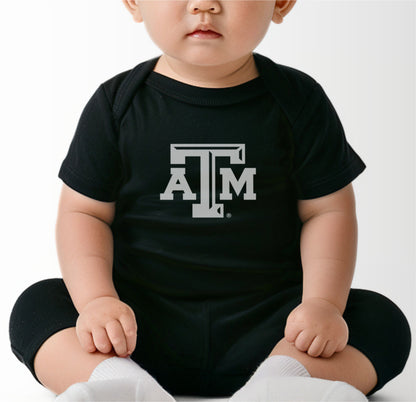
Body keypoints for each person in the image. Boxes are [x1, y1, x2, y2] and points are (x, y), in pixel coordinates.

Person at [9, 0, 411, 401]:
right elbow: (84, 213)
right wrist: (98, 301)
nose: (205, 4)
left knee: (381, 320)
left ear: (281, 3)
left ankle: (284, 384)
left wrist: (322, 304)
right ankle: (119, 384)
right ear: (134, 2)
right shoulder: (116, 105)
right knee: (37, 306)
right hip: (136, 330)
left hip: (276, 328)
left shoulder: (299, 101)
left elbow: (328, 211)